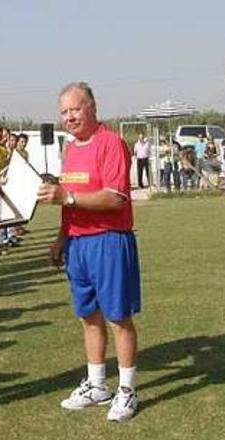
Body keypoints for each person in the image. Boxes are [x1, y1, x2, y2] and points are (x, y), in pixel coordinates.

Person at [37, 82, 141, 422]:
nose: (69, 117)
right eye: (64, 112)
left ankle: (127, 391)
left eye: (75, 109)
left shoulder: (112, 143)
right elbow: (69, 201)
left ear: (92, 107)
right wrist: (61, 238)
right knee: (89, 316)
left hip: (109, 240)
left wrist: (66, 198)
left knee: (117, 317)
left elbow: (115, 198)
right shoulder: (71, 149)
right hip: (79, 244)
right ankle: (97, 384)